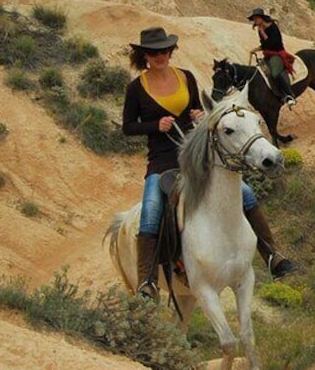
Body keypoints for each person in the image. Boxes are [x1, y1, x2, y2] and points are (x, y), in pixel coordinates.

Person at [123, 27, 296, 301]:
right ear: (145, 55)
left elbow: (200, 112)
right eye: (155, 52)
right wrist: (155, 125)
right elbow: (128, 126)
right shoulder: (136, 89)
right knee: (151, 210)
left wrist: (199, 114)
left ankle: (273, 255)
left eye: (165, 51)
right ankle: (147, 281)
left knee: (247, 193)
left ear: (170, 52)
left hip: (196, 154)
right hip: (162, 159)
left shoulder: (186, 77)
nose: (161, 56)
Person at [247, 7, 297, 107]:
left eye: (257, 18)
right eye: (254, 19)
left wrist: (263, 33)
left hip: (277, 54)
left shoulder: (273, 27)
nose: (255, 21)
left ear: (262, 18)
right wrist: (255, 50)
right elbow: (264, 44)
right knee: (259, 72)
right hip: (268, 54)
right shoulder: (260, 29)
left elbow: (273, 43)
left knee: (275, 74)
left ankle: (289, 95)